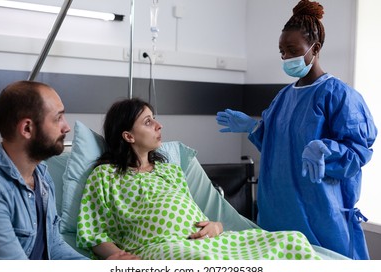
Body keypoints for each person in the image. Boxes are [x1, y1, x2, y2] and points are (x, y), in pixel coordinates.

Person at [216, 0, 377, 260]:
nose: (286, 57)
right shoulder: (283, 97)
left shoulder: (338, 95)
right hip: (276, 215)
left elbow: (357, 151)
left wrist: (326, 148)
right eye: (282, 51)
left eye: (292, 49)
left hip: (321, 218)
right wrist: (253, 126)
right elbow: (278, 145)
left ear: (315, 48)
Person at [76, 97, 324, 260]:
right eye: (148, 122)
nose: (159, 126)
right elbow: (94, 232)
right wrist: (117, 256)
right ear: (128, 136)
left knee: (292, 239)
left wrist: (217, 226)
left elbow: (195, 215)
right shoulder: (106, 176)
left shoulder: (170, 171)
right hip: (161, 248)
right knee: (202, 263)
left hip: (209, 243)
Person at [0, 80, 136, 260]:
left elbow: (54, 246)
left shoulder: (42, 177)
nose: (66, 127)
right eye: (58, 118)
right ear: (27, 128)